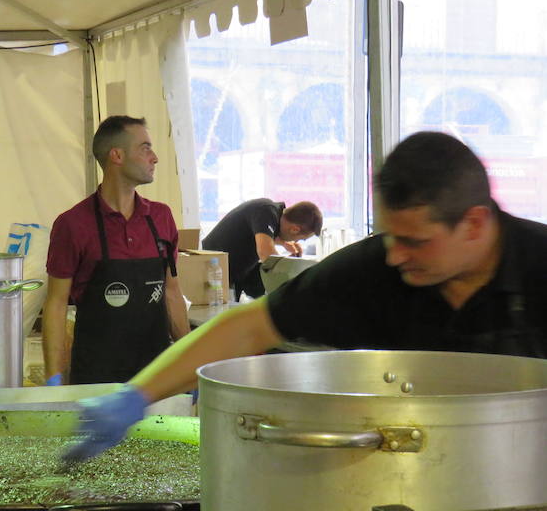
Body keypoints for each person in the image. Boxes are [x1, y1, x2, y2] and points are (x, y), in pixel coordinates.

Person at [62, 131, 547, 464]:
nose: (396, 257)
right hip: (409, 489)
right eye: (389, 237)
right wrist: (136, 396)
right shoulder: (375, 268)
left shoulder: (539, 264)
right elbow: (250, 325)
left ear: (476, 224)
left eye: (415, 241)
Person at [42, 115, 190, 386]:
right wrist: (54, 377)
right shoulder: (73, 224)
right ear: (117, 155)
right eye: (145, 148)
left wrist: (190, 362)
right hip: (96, 380)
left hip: (156, 380)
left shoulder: (161, 217)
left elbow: (171, 293)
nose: (154, 157)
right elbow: (56, 303)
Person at [202, 198, 323, 300]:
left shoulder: (273, 215)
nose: (296, 242)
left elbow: (260, 234)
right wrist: (292, 278)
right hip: (207, 276)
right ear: (295, 229)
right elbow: (266, 254)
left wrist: (283, 243)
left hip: (227, 276)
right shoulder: (265, 211)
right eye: (301, 239)